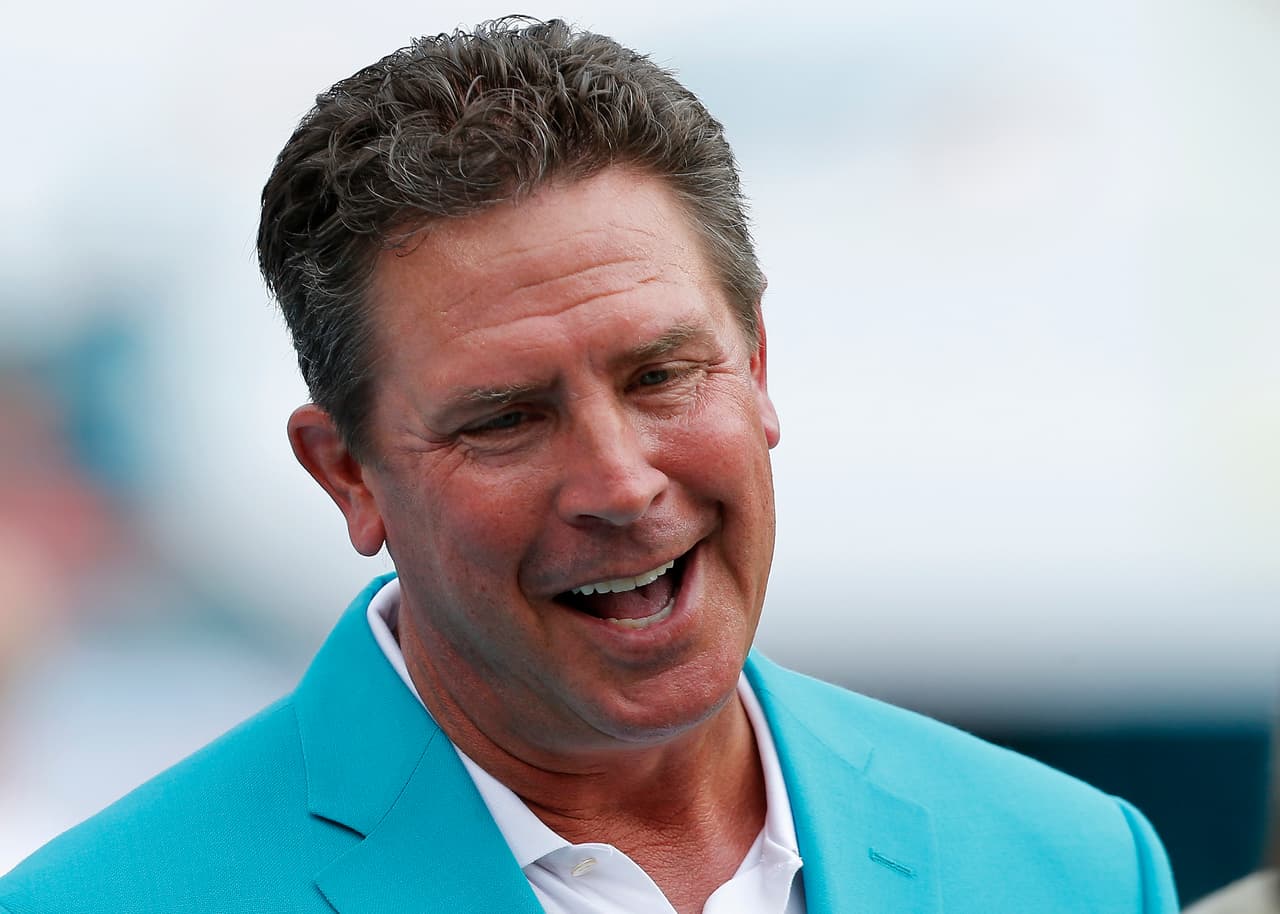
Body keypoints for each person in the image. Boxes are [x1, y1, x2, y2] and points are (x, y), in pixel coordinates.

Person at [0, 17, 1178, 914]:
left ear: (757, 364)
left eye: (662, 374)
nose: (618, 482)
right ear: (346, 474)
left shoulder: (1066, 862)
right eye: (505, 417)